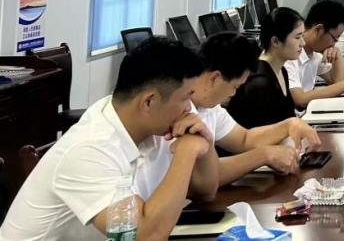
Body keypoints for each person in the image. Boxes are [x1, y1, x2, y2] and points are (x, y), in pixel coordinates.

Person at [1, 38, 218, 241]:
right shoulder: (89, 149)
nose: (189, 108)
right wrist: (186, 153)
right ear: (149, 102)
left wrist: (204, 146)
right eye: (186, 98)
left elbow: (206, 191)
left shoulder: (153, 123)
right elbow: (142, 237)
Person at [136, 33, 323, 192]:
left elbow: (244, 139)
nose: (233, 94)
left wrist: (289, 125)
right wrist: (264, 155)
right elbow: (202, 177)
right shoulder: (175, 113)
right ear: (215, 78)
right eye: (235, 87)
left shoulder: (209, 107)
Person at [227, 7, 304, 129]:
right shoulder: (259, 83)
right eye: (297, 37)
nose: (303, 43)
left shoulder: (282, 71)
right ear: (275, 41)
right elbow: (261, 133)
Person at [286, 0, 344, 109]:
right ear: (318, 30)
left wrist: (337, 54)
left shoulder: (314, 54)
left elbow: (337, 84)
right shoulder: (289, 54)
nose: (333, 44)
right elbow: (300, 100)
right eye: (334, 39)